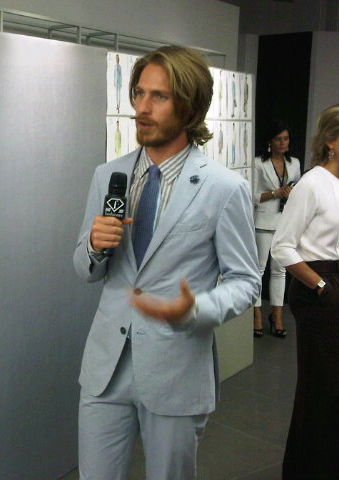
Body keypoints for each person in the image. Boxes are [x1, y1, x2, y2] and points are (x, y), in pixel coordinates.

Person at [73, 46, 259, 480]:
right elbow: (84, 269)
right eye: (139, 93)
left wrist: (196, 309)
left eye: (159, 96)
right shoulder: (108, 176)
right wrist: (95, 246)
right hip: (106, 368)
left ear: (189, 107)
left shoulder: (223, 188)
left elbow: (246, 281)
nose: (141, 107)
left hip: (177, 370)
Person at [271, 104, 339, 479]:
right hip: (318, 289)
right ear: (331, 142)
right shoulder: (312, 184)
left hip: (333, 282)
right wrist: (323, 287)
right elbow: (282, 247)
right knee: (322, 386)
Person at [252, 120, 300, 338]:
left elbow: (299, 190)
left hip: (284, 223)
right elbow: (251, 195)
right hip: (262, 222)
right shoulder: (258, 164)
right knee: (259, 270)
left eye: (286, 138)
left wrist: (291, 192)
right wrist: (275, 193)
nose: (283, 143)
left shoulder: (294, 163)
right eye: (278, 139)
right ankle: (256, 316)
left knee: (280, 271)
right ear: (270, 142)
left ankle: (277, 316)